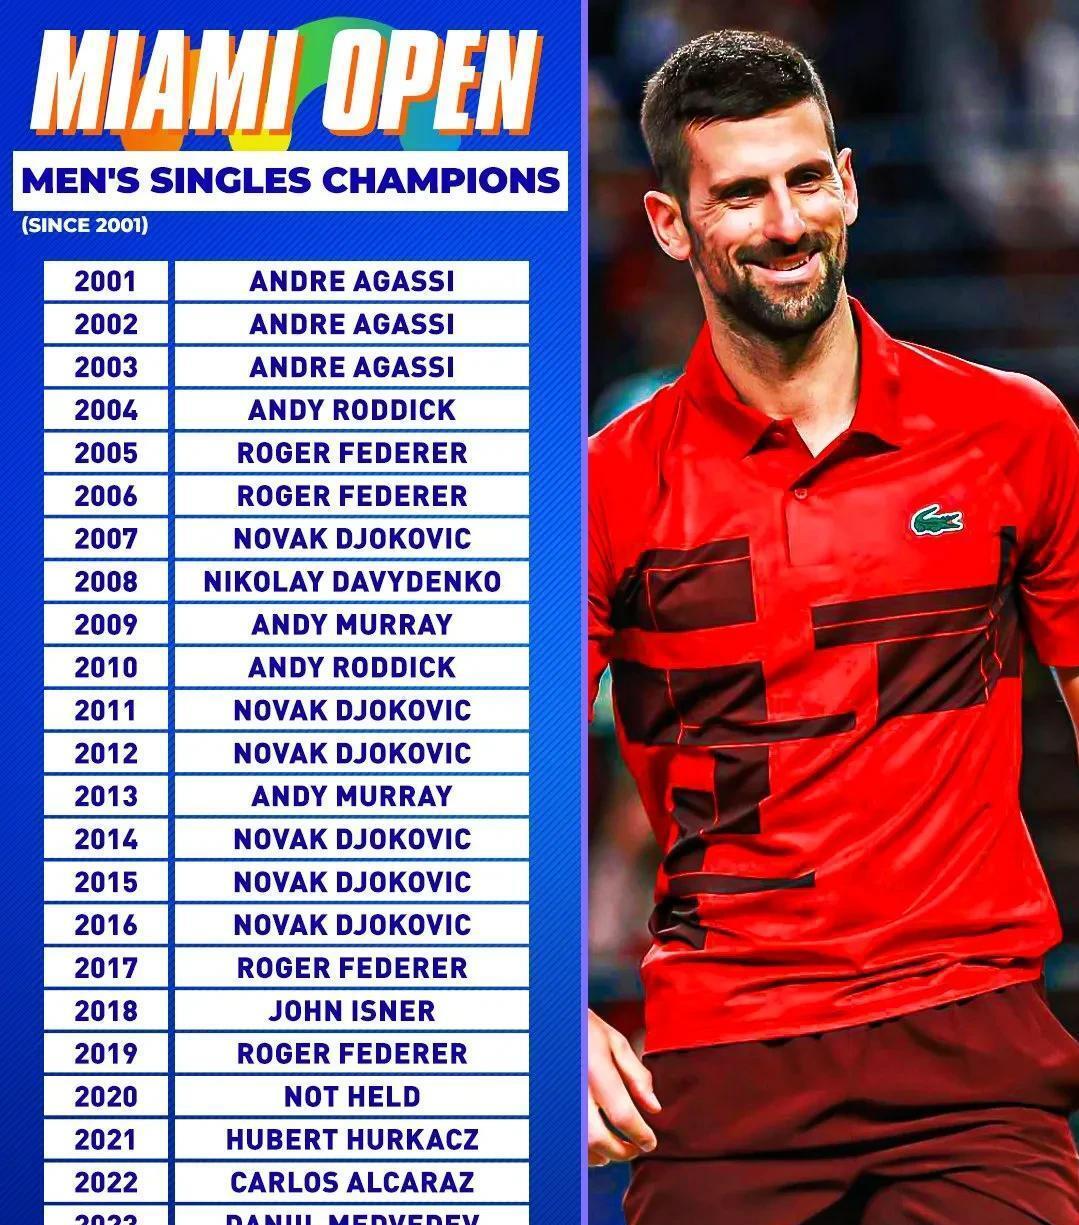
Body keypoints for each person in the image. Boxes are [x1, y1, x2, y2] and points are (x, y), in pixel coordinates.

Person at [587, 28, 1079, 1224]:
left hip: (974, 1054)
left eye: (805, 179)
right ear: (668, 225)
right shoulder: (603, 487)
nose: (785, 222)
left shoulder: (1014, 432)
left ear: (849, 185)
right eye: (739, 194)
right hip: (722, 1066)